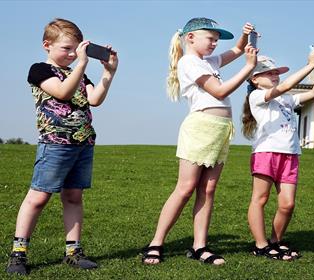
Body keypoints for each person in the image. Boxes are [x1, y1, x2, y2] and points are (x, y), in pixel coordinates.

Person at [5, 18, 118, 275]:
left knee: (73, 196)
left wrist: (109, 74)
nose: (72, 54)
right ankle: (18, 253)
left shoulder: (79, 72)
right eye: (67, 49)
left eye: (77, 49)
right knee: (38, 197)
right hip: (55, 145)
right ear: (47, 45)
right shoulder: (40, 70)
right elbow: (63, 93)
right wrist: (81, 64)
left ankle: (73, 252)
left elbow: (94, 99)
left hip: (83, 143)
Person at [141, 17, 257, 266]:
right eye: (211, 38)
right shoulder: (189, 62)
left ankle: (199, 246)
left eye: (217, 40)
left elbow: (236, 50)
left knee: (208, 189)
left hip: (221, 129)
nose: (215, 43)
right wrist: (249, 68)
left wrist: (245, 37)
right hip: (201, 128)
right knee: (185, 188)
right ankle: (156, 243)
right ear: (191, 38)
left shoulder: (208, 61)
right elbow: (220, 91)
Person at [241, 53, 314, 261]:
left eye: (276, 72)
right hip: (266, 152)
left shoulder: (286, 100)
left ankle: (275, 242)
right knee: (260, 199)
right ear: (255, 79)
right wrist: (311, 63)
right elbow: (287, 85)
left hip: (290, 155)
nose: (274, 75)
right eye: (268, 72)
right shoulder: (256, 97)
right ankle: (260, 245)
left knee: (287, 204)